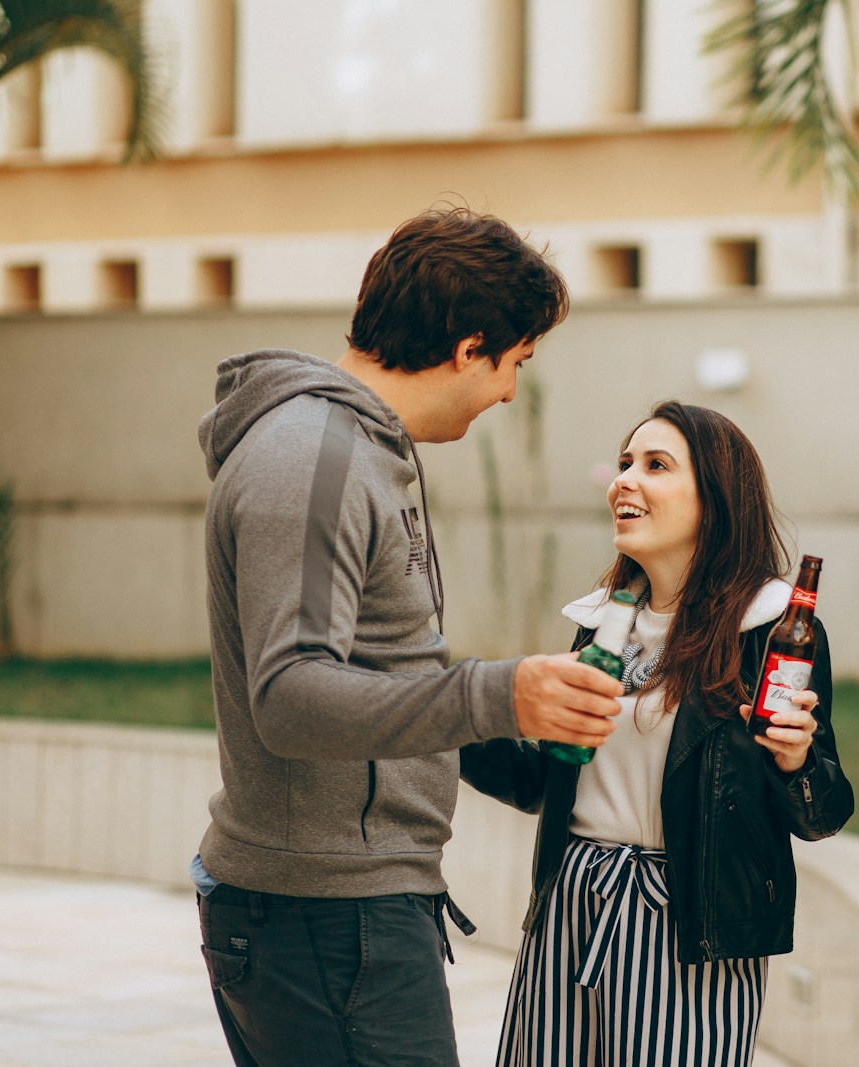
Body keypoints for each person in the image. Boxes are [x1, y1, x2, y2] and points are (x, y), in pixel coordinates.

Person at [193, 206, 625, 1067]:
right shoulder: (315, 457)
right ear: (471, 348)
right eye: (516, 363)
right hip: (327, 919)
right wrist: (499, 692)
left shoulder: (350, 448)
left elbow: (380, 670)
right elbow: (292, 697)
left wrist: (512, 739)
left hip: (336, 912)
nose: (508, 392)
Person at [460, 400, 855, 1067]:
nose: (624, 480)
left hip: (690, 920)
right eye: (623, 463)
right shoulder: (602, 624)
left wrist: (795, 761)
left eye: (655, 465)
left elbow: (825, 810)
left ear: (716, 498)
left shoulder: (771, 629)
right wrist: (442, 716)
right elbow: (544, 777)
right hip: (571, 900)